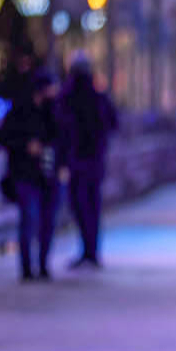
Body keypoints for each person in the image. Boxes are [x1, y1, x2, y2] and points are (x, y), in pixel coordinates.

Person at [0, 71, 68, 282]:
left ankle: (44, 265)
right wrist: (26, 146)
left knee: (48, 221)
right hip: (25, 174)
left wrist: (63, 165)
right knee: (29, 218)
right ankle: (27, 268)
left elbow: (64, 140)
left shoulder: (54, 112)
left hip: (49, 175)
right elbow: (2, 137)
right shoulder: (20, 111)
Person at [60, 56, 118, 268]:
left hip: (79, 160)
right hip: (94, 160)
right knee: (92, 205)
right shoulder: (97, 96)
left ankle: (88, 250)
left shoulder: (69, 96)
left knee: (81, 205)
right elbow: (113, 122)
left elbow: (62, 127)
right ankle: (91, 251)